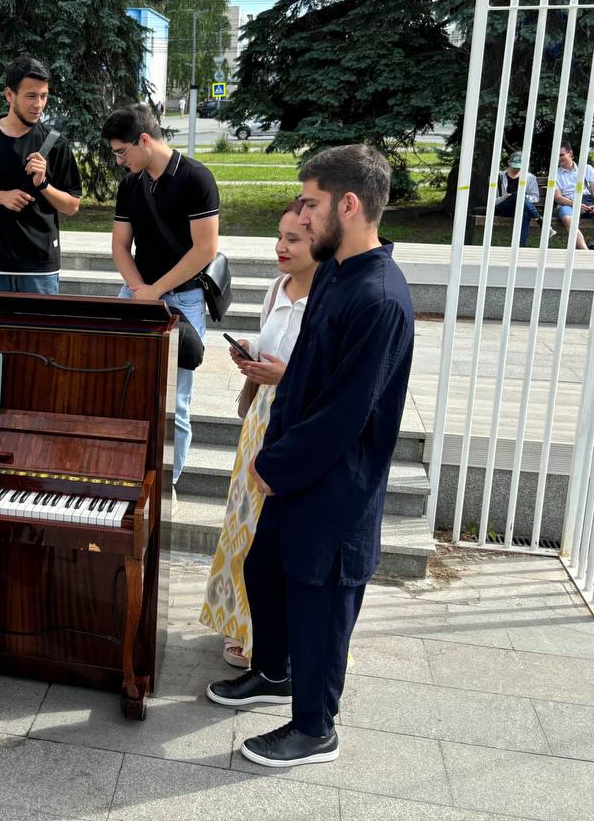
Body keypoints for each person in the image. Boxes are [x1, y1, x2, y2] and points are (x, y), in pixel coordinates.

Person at [206, 145, 414, 770]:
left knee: (322, 604)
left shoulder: (378, 296)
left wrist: (275, 466)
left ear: (349, 205)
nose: (302, 213)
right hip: (296, 468)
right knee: (266, 571)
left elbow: (346, 413)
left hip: (336, 485)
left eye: (312, 202)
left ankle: (315, 727)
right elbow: (303, 380)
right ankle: (273, 671)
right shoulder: (336, 272)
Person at [199, 199, 316, 669]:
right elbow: (271, 349)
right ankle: (237, 623)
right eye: (280, 237)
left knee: (269, 533)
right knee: (242, 527)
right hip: (261, 421)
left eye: (294, 239)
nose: (280, 247)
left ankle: (262, 636)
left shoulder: (326, 299)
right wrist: (250, 353)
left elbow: (322, 377)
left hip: (292, 422)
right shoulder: (277, 288)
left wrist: (283, 376)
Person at [102, 102, 219, 488]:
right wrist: (139, 290)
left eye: (122, 152)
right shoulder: (130, 184)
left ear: (145, 140)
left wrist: (156, 291)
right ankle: (124, 476)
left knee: (176, 405)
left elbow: (204, 250)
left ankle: (168, 486)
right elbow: (121, 246)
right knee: (118, 389)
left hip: (182, 301)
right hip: (137, 293)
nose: (120, 161)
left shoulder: (196, 179)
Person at [0, 57, 82, 294]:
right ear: (9, 95)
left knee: (41, 332)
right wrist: (1, 196)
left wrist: (43, 184)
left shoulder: (56, 144)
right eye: (31, 96)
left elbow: (72, 206)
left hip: (41, 266)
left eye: (44, 96)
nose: (39, 105)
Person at [553, 140, 594, 249]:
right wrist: (576, 204)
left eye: (561, 155)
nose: (558, 158)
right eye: (556, 155)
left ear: (570, 153)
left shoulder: (586, 169)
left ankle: (593, 243)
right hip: (568, 204)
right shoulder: (555, 173)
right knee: (568, 219)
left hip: (588, 204)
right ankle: (585, 253)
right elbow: (558, 197)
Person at [495, 151, 543, 247]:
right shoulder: (499, 176)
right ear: (509, 163)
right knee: (517, 195)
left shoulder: (530, 177)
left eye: (519, 166)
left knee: (524, 212)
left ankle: (520, 247)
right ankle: (540, 220)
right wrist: (504, 197)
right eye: (514, 166)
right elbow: (492, 200)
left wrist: (522, 197)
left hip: (521, 208)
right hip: (504, 208)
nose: (516, 169)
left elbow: (535, 197)